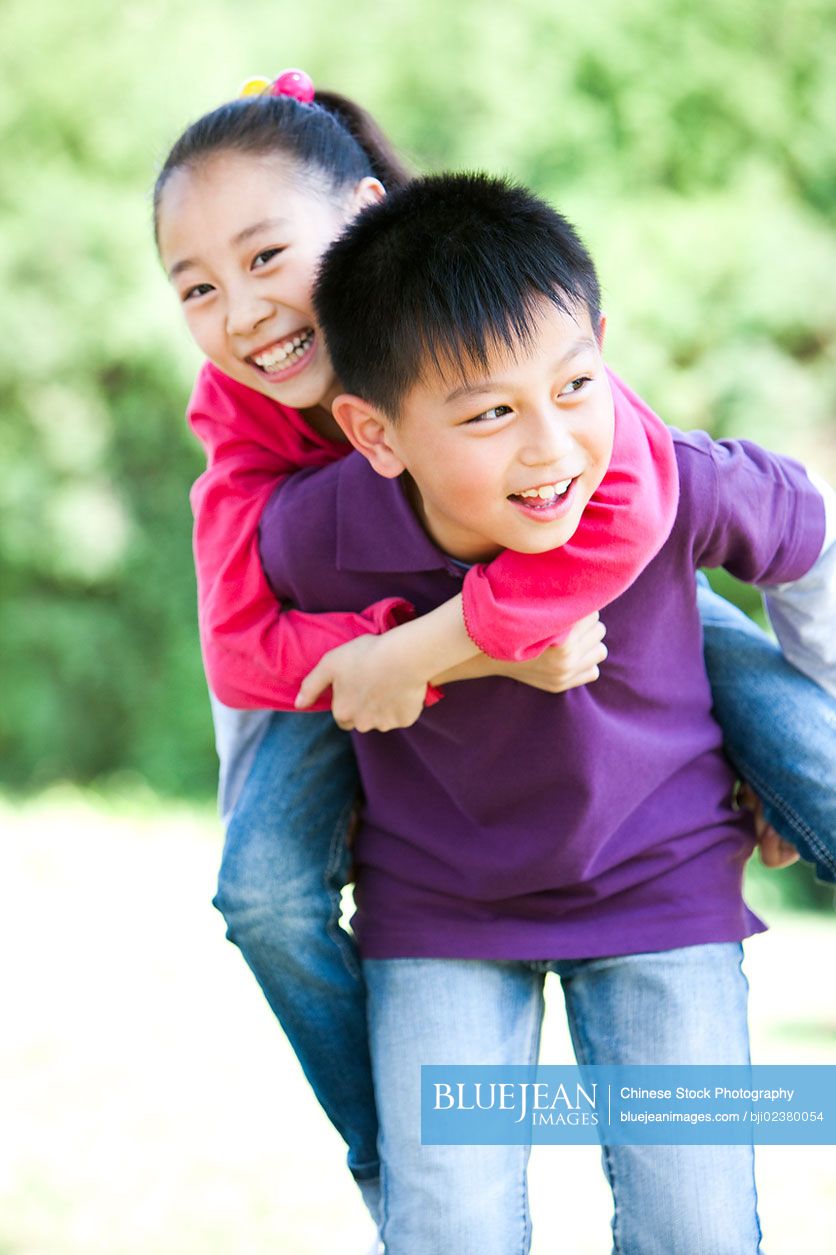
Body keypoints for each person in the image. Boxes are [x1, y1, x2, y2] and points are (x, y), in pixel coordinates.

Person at [153, 75, 836, 1229]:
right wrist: (400, 660)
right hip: (429, 861)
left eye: (268, 257)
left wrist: (440, 642)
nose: (245, 310)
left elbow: (721, 515)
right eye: (199, 288)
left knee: (700, 1220)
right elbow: (240, 654)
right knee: (267, 893)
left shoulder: (571, 409)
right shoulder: (279, 483)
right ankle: (397, 1152)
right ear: (373, 430)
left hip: (649, 837)